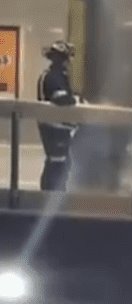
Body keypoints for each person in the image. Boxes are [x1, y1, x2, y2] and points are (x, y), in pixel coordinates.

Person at [36, 40, 79, 191]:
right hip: (55, 127)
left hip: (54, 126)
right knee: (57, 163)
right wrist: (77, 101)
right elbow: (61, 99)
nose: (69, 62)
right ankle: (52, 195)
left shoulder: (52, 75)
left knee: (58, 162)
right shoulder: (54, 76)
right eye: (67, 58)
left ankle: (50, 195)